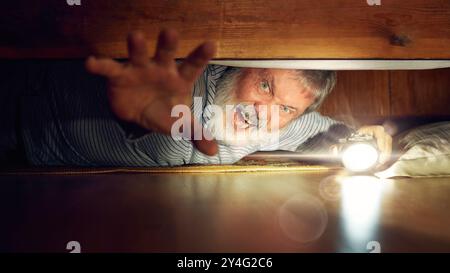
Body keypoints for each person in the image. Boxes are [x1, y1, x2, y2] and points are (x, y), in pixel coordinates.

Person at [0, 29, 392, 167]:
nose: (263, 114)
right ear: (238, 69)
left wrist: (365, 138)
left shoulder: (287, 124)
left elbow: (334, 134)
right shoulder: (187, 72)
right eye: (265, 86)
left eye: (286, 108)